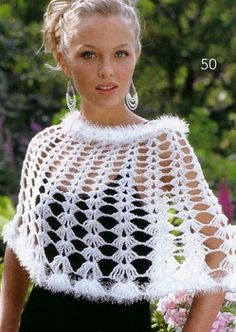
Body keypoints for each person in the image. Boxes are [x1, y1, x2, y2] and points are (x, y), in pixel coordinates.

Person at [0, 0, 235, 331]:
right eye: (88, 54)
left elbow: (218, 252)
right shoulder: (46, 146)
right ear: (63, 59)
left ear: (136, 54)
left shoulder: (159, 147)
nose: (106, 69)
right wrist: (8, 323)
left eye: (120, 54)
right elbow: (21, 244)